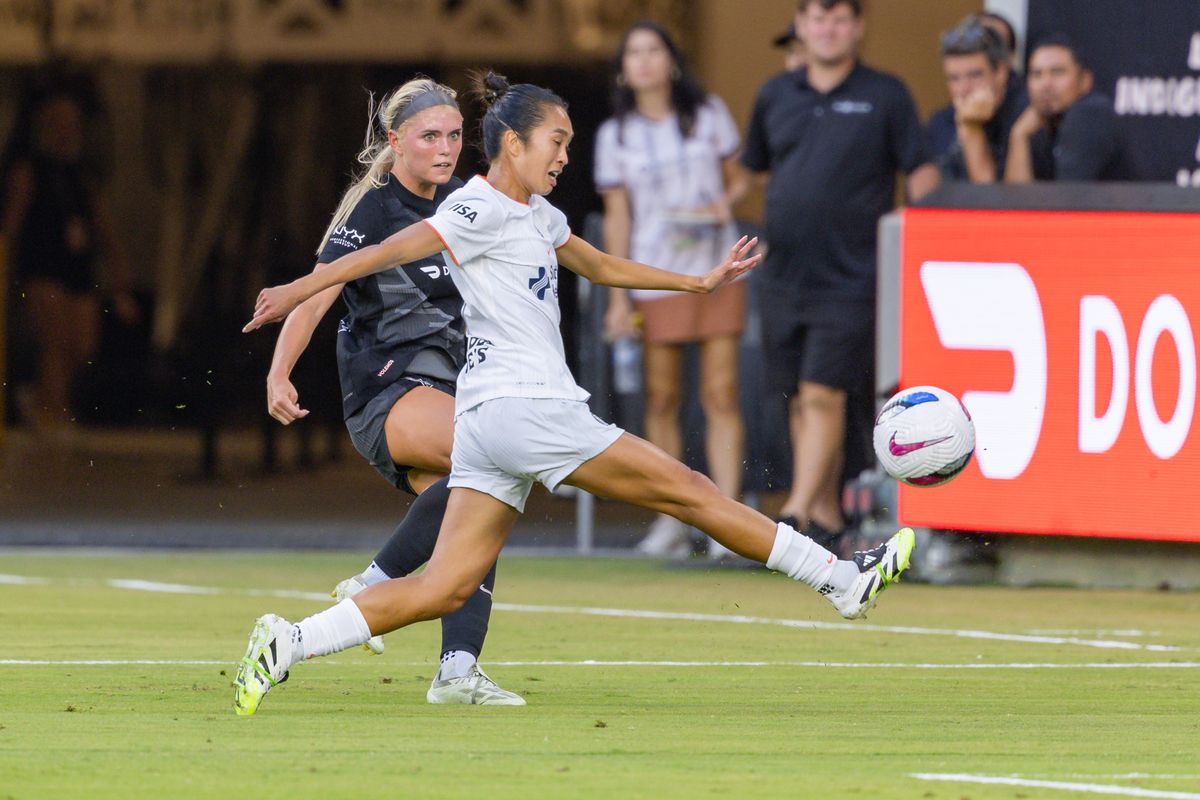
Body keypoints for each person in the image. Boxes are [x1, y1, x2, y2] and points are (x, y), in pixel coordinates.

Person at [233, 70, 916, 716]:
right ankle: (841, 579)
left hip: (487, 424)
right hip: (529, 409)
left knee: (446, 586)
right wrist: (298, 288)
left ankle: (289, 642)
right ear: (512, 143)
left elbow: (600, 264)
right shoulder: (476, 205)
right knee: (693, 491)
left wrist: (697, 283)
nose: (564, 157)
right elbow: (387, 250)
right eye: (556, 142)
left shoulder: (538, 216)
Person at [264, 77, 523, 705]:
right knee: (494, 456)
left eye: (455, 135)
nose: (445, 148)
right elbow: (318, 290)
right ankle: (375, 579)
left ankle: (457, 672)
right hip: (387, 392)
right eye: (429, 136)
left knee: (478, 513)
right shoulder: (373, 208)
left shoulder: (464, 201)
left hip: (452, 387)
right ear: (395, 140)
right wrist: (279, 371)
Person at [741, 0, 937, 548]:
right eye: (817, 18)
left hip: (854, 272)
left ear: (857, 27)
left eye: (839, 18)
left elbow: (920, 173)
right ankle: (825, 515)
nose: (827, 29)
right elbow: (752, 170)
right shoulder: (775, 94)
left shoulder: (887, 94)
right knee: (800, 397)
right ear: (801, 27)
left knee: (825, 391)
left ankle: (797, 511)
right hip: (783, 269)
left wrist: (925, 237)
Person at [596, 22, 750, 560]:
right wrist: (618, 293)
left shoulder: (707, 114)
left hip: (718, 263)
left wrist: (721, 206)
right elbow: (618, 218)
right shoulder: (615, 134)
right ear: (623, 68)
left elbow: (742, 177)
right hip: (655, 272)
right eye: (633, 52)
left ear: (671, 60)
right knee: (660, 399)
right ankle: (672, 519)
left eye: (653, 50)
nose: (643, 61)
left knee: (721, 394)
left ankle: (727, 521)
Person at [0, 89, 137, 432]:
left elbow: (103, 229)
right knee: (54, 340)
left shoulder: (81, 176)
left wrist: (121, 281)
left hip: (76, 269)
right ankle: (51, 411)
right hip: (41, 268)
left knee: (82, 345)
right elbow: (12, 227)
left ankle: (42, 399)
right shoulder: (29, 171)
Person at [1005, 35, 1142, 183]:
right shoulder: (1034, 125)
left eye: (1058, 72)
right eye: (1037, 74)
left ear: (1085, 81)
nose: (1046, 84)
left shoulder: (1090, 113)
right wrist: (1019, 136)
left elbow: (1067, 201)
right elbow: (1017, 201)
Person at [925, 18, 1027, 183]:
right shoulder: (940, 123)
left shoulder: (1025, 115)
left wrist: (971, 128)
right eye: (954, 78)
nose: (964, 89)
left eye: (975, 75)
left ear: (1001, 72)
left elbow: (990, 200)